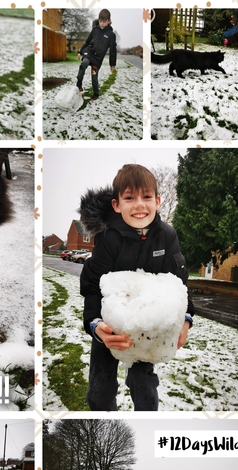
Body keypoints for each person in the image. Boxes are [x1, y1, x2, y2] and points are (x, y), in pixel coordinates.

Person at [79, 164, 195, 411]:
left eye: (146, 197)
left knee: (145, 390)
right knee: (99, 393)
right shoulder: (108, 238)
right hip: (111, 326)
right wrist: (94, 324)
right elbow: (92, 283)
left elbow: (179, 281)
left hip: (148, 327)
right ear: (117, 205)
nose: (139, 205)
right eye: (129, 198)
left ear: (158, 201)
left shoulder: (166, 236)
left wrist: (186, 318)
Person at [76, 9, 117, 101]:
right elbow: (87, 42)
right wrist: (80, 52)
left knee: (94, 75)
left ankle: (96, 94)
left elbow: (113, 50)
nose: (102, 24)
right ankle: (79, 84)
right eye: (100, 21)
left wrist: (112, 64)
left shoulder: (111, 35)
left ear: (109, 21)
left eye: (104, 22)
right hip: (89, 51)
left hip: (98, 58)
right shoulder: (95, 30)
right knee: (84, 62)